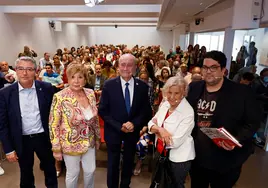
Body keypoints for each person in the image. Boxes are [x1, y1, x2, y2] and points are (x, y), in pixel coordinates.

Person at [187, 51, 262, 188]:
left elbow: (253, 122)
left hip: (226, 160)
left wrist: (235, 139)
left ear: (223, 70)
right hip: (197, 157)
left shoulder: (241, 93)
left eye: (213, 68)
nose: (208, 71)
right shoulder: (194, 88)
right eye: (205, 67)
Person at [0, 56, 58, 188]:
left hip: (43, 137)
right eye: (21, 69)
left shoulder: (46, 88)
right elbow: (2, 124)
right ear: (15, 70)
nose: (25, 73)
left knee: (50, 170)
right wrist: (8, 149)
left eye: (29, 69)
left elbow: (55, 114)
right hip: (22, 139)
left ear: (36, 71)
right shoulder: (5, 93)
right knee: (26, 174)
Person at [99, 53, 152, 188]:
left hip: (132, 133)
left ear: (136, 67)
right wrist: (118, 126)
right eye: (123, 64)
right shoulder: (109, 85)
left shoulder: (142, 87)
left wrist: (134, 123)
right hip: (113, 132)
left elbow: (146, 112)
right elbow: (103, 111)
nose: (126, 68)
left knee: (128, 162)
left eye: (130, 65)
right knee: (113, 165)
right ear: (118, 67)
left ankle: (125, 185)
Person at [49, 63, 100, 188]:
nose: (76, 81)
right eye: (73, 77)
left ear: (85, 79)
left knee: (90, 170)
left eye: (80, 77)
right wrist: (56, 148)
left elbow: (95, 119)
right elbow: (53, 123)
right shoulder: (60, 96)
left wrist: (97, 138)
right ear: (68, 78)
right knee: (73, 173)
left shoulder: (90, 93)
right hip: (70, 142)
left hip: (89, 140)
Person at [148, 75, 195, 188]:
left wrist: (156, 130)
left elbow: (174, 142)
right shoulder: (165, 104)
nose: (172, 97)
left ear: (183, 93)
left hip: (179, 159)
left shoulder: (188, 112)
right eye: (169, 92)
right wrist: (160, 130)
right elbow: (150, 124)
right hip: (160, 153)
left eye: (177, 93)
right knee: (158, 183)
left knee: (174, 185)